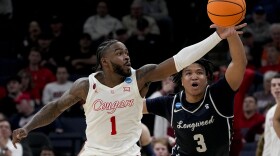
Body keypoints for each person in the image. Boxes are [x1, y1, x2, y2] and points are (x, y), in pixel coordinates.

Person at [12, 23, 246, 155]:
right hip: (95, 152)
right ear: (104, 61)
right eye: (119, 53)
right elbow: (55, 107)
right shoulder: (86, 85)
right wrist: (28, 127)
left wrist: (217, 36)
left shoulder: (140, 77)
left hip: (128, 152)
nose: (126, 57)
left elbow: (180, 59)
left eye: (126, 52)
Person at [143, 32, 247, 155]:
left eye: (199, 72)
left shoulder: (219, 95)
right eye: (188, 73)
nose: (194, 77)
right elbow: (134, 106)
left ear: (207, 78)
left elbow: (239, 63)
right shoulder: (170, 103)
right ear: (181, 80)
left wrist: (231, 33)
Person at [263, 73, 280, 156]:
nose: (277, 87)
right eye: (273, 85)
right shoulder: (270, 112)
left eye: (279, 84)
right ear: (270, 89)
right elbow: (268, 141)